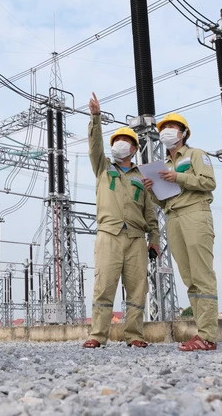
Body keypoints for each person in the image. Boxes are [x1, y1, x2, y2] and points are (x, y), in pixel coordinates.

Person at [83, 92, 160, 349]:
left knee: (138, 289)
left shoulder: (142, 177)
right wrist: (95, 118)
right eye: (117, 141)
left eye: (126, 142)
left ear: (135, 149)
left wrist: (155, 240)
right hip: (109, 235)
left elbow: (151, 213)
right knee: (104, 285)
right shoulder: (103, 168)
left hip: (136, 238)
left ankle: (134, 335)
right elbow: (95, 147)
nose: (120, 145)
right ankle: (97, 334)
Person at [145, 112, 218, 351]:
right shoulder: (162, 165)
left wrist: (179, 177)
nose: (167, 131)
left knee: (201, 275)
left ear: (184, 133)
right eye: (163, 128)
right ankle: (202, 332)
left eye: (173, 127)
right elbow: (164, 202)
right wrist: (152, 190)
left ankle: (207, 336)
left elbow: (208, 183)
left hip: (195, 214)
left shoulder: (196, 155)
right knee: (189, 279)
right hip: (173, 217)